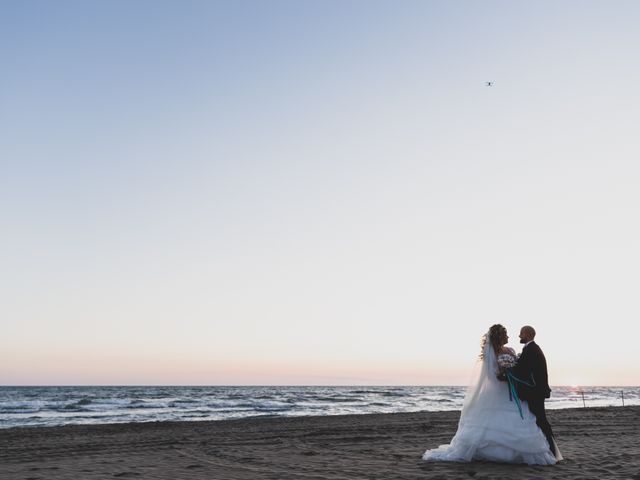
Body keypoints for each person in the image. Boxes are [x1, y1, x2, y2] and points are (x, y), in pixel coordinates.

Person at [422, 324, 562, 464]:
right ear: (500, 337)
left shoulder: (514, 350)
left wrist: (509, 372)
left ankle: (549, 450)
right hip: (500, 391)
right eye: (506, 334)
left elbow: (521, 369)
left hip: (516, 391)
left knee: (533, 419)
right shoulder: (493, 353)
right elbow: (491, 375)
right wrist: (504, 374)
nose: (509, 336)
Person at [511, 325, 558, 456]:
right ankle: (550, 449)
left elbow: (525, 370)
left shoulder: (531, 349)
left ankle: (553, 449)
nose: (519, 336)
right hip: (535, 391)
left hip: (535, 392)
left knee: (541, 420)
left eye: (521, 333)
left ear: (526, 334)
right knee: (539, 419)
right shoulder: (531, 349)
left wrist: (508, 370)